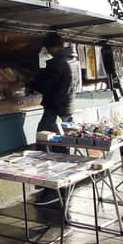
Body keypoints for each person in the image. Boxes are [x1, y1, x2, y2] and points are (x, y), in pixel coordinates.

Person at [31, 32, 79, 206]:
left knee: (46, 149)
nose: (48, 52)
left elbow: (44, 85)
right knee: (63, 149)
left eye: (47, 49)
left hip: (54, 110)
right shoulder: (72, 60)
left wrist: (32, 80)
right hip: (67, 110)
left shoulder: (57, 63)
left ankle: (52, 191)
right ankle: (63, 187)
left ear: (52, 47)